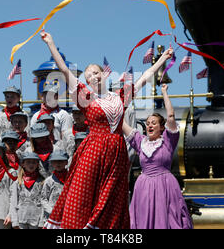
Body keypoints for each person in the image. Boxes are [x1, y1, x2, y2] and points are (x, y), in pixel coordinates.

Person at [40, 30, 173, 229]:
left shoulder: (121, 97)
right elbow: (65, 72)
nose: (93, 77)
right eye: (88, 76)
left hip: (117, 154)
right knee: (83, 195)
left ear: (104, 74)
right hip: (92, 151)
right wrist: (50, 43)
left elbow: (145, 77)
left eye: (96, 72)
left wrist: (162, 58)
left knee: (111, 201)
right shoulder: (86, 97)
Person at [123, 84, 192, 229]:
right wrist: (116, 103)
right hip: (143, 187)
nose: (149, 126)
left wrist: (164, 92)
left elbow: (171, 116)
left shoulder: (168, 140)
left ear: (161, 127)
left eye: (153, 123)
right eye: (147, 123)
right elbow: (122, 124)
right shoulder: (140, 141)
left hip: (164, 185)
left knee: (168, 220)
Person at [10, 151, 45, 229]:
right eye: (28, 162)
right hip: (21, 220)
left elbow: (44, 203)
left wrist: (42, 222)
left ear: (38, 164)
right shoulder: (18, 182)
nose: (31, 165)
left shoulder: (42, 182)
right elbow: (13, 202)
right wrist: (15, 221)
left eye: (34, 162)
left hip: (36, 220)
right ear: (23, 164)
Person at [41, 149, 69, 224]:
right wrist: (51, 211)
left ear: (66, 162)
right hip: (51, 217)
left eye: (61, 161)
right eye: (55, 161)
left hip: (66, 215)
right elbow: (43, 199)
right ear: (52, 163)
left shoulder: (71, 179)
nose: (58, 164)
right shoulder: (49, 181)